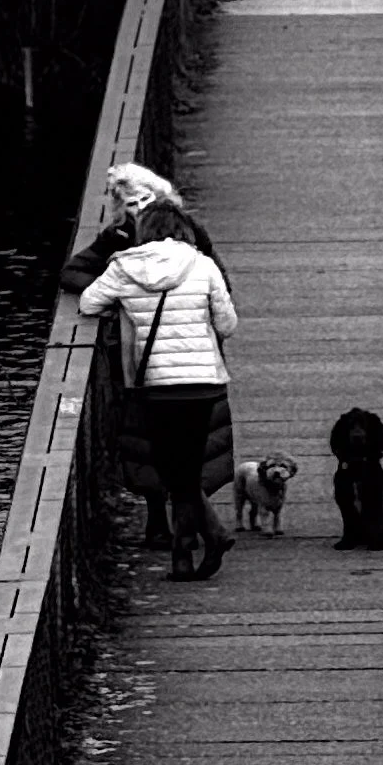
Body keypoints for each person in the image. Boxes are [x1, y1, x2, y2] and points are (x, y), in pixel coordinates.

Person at [63, 162, 232, 547]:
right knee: (162, 448)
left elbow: (86, 297)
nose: (139, 208)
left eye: (144, 199)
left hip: (151, 363)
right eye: (131, 202)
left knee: (171, 448)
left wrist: (117, 293)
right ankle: (177, 529)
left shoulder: (165, 240)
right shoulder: (128, 239)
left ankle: (191, 533)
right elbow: (73, 274)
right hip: (189, 363)